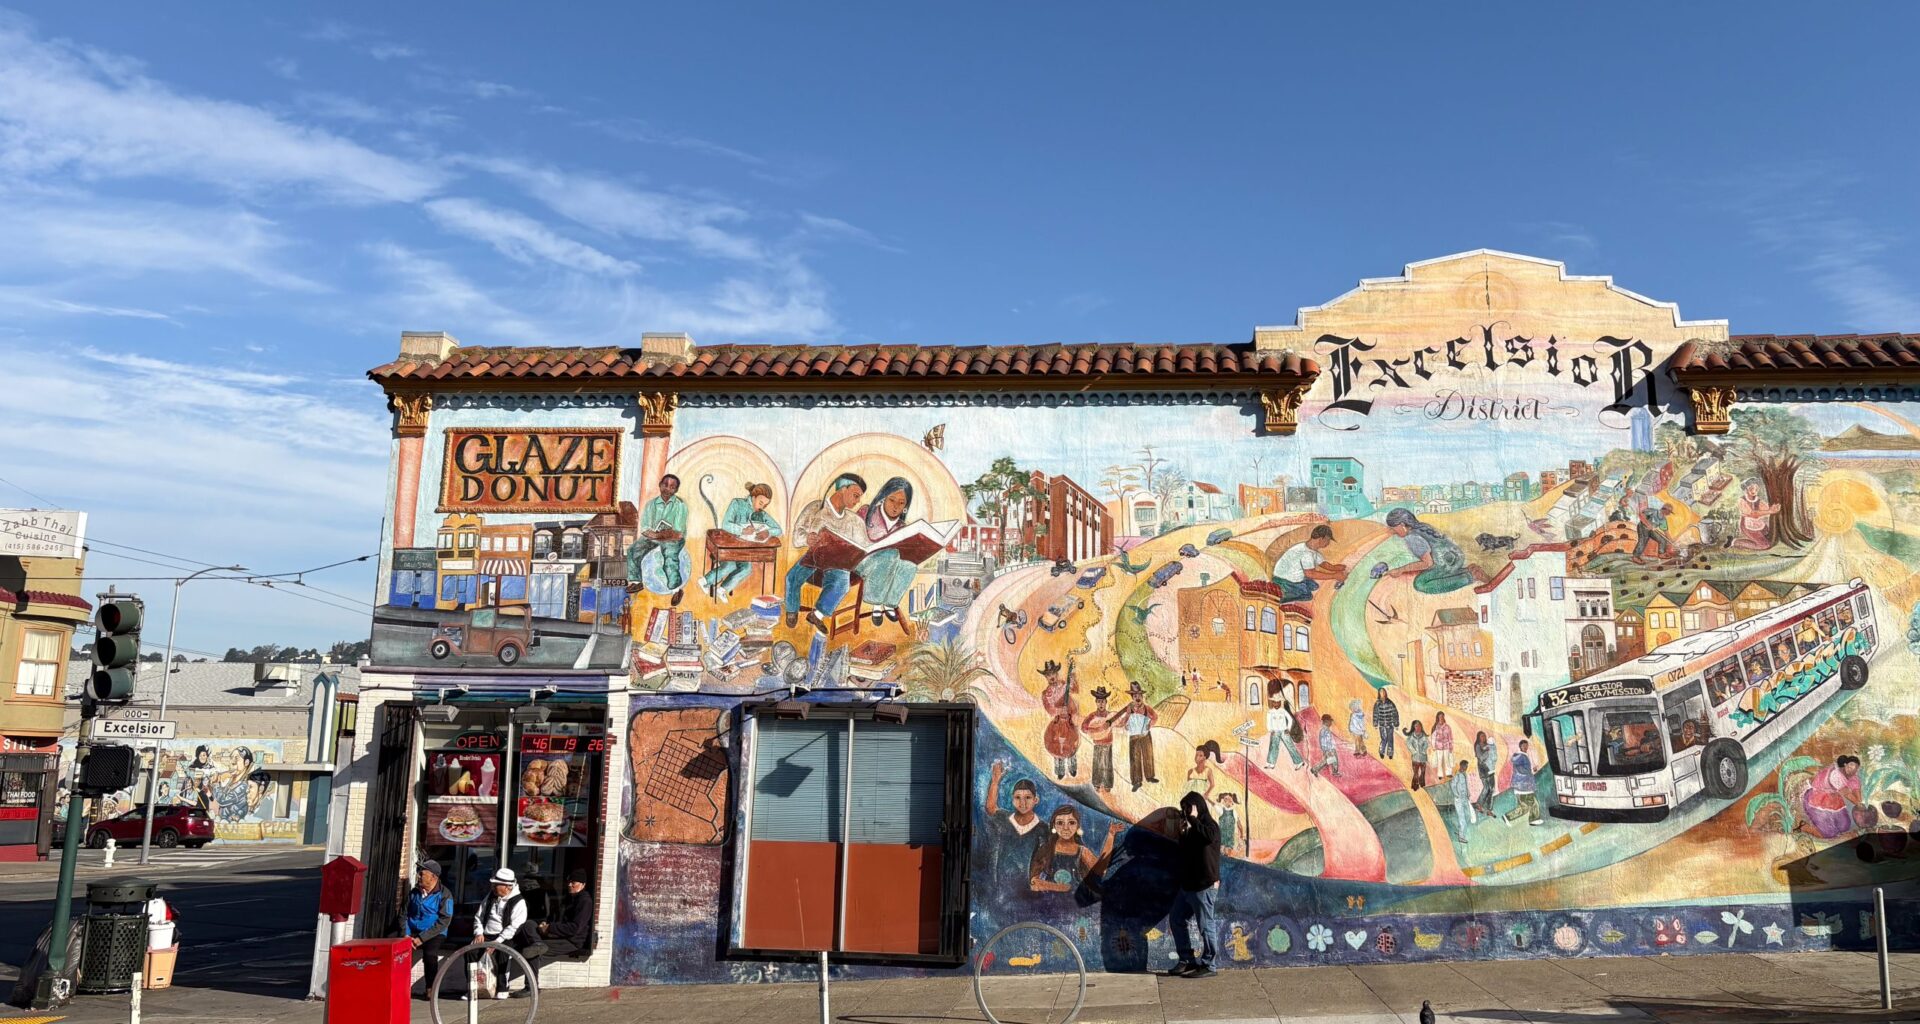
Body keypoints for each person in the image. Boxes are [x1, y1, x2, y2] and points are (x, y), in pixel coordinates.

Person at [783, 473, 869, 631]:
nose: (858, 501)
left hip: (838, 564)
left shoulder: (855, 521)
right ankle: (791, 610)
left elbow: (864, 547)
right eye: (856, 495)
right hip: (815, 558)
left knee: (841, 585)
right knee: (792, 577)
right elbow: (796, 537)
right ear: (843, 489)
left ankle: (817, 614)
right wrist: (807, 539)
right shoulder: (815, 508)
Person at [853, 476, 925, 625]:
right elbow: (851, 535)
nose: (895, 506)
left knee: (910, 566)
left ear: (905, 506)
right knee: (889, 555)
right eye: (892, 500)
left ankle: (889, 603)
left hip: (887, 564)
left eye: (901, 503)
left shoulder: (902, 527)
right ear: (883, 497)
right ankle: (876, 605)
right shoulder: (866, 512)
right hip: (860, 561)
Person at [1168, 792, 1222, 978]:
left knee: (1205, 926)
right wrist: (1182, 834)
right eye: (1184, 808)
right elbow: (1185, 853)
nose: (1185, 811)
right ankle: (1187, 959)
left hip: (1203, 886)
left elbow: (1208, 837)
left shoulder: (1210, 826)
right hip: (1188, 886)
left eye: (1188, 807)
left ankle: (1209, 965)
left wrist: (1193, 818)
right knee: (1176, 919)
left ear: (1198, 806)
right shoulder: (1193, 830)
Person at [700, 482, 784, 598]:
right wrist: (742, 530)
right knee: (730, 565)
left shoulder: (761, 514)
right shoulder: (737, 503)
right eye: (760, 503)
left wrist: (768, 532)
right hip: (728, 545)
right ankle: (705, 581)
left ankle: (722, 589)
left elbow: (779, 530)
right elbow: (726, 524)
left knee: (746, 568)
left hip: (743, 549)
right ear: (753, 497)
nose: (762, 507)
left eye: (765, 505)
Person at [519, 868, 596, 990]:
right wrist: (546, 924)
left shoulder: (584, 901)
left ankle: (531, 987)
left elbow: (575, 928)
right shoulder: (569, 898)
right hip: (557, 935)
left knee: (533, 951)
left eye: (573, 883)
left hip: (571, 941)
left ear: (583, 885)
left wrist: (550, 928)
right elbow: (558, 919)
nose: (570, 885)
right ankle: (537, 943)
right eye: (569, 882)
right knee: (529, 924)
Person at [626, 474, 691, 605]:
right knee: (633, 550)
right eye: (665, 485)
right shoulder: (651, 504)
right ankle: (636, 581)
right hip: (654, 537)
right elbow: (645, 528)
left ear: (676, 490)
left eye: (672, 487)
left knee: (670, 557)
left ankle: (676, 589)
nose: (668, 489)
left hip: (672, 539)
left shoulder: (680, 505)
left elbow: (678, 533)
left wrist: (659, 535)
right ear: (660, 485)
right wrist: (653, 535)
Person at [1028, 807, 1122, 894]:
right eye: (1060, 823)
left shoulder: (1082, 851)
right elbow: (1034, 883)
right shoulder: (1046, 849)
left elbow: (1100, 870)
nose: (1066, 828)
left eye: (1071, 823)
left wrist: (1110, 835)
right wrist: (1059, 888)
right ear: (1054, 826)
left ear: (1078, 826)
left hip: (1075, 901)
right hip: (1047, 902)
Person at [1383, 508, 1477, 594]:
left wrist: (1400, 570)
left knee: (1420, 583)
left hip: (1446, 563)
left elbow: (1427, 563)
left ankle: (1469, 577)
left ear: (1402, 525)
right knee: (1435, 572)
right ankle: (1466, 571)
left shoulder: (1412, 538)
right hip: (1457, 557)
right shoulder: (1422, 526)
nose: (1393, 531)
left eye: (1393, 528)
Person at [473, 868, 533, 1000]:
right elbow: (479, 916)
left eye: (496, 885)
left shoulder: (518, 902)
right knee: (471, 953)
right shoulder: (490, 896)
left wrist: (497, 941)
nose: (493, 887)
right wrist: (478, 932)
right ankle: (473, 988)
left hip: (506, 936)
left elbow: (514, 926)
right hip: (486, 934)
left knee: (503, 954)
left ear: (507, 886)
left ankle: (502, 987)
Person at [403, 859, 454, 999]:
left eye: (422, 874)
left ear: (433, 877)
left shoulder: (445, 894)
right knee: (395, 948)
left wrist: (422, 938)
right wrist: (406, 934)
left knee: (430, 954)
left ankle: (431, 988)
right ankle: (397, 986)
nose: (419, 876)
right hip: (412, 930)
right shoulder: (414, 893)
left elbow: (444, 921)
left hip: (434, 932)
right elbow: (404, 914)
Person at [1270, 524, 1348, 602]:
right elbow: (1311, 574)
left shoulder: (1310, 548)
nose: (1328, 543)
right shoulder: (1306, 553)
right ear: (1321, 539)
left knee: (1314, 586)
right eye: (1327, 540)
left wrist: (1337, 568)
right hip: (1283, 581)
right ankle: (1281, 597)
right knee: (1308, 595)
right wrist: (1334, 575)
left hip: (1289, 577)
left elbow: (1324, 564)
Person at [1039, 660, 1081, 780]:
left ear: (1057, 674)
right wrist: (1059, 710)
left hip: (1069, 720)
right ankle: (1060, 770)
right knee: (1056, 744)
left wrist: (1072, 675)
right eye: (1048, 675)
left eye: (1053, 673)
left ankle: (1072, 767)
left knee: (1071, 741)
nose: (1051, 676)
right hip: (1057, 723)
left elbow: (1075, 689)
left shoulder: (1064, 685)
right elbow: (1049, 709)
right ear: (1046, 677)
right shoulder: (1046, 694)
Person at [1121, 683, 1160, 790]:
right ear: (1132, 698)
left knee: (1148, 755)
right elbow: (1125, 720)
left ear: (1142, 697)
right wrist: (1125, 725)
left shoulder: (1147, 708)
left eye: (1139, 696)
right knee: (1135, 758)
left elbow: (1155, 717)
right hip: (1134, 736)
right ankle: (1136, 781)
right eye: (1135, 696)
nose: (1137, 698)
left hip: (1145, 735)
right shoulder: (1130, 709)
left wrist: (1150, 724)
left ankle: (1150, 776)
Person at [1082, 687, 1120, 794]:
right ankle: (1097, 784)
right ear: (1096, 702)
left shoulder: (1110, 716)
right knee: (1097, 764)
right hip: (1098, 743)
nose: (1101, 704)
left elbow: (1120, 723)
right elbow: (1083, 727)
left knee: (1107, 764)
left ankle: (1108, 784)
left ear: (1106, 702)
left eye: (1103, 701)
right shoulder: (1092, 716)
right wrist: (1095, 730)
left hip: (1108, 743)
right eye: (1099, 701)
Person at [1263, 689, 1304, 769]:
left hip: (1284, 731)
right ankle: (1271, 763)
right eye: (1275, 702)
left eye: (1278, 702)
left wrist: (1288, 729)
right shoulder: (1270, 712)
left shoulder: (1283, 711)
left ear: (1280, 703)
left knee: (1290, 746)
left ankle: (1299, 762)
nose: (1276, 704)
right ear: (1272, 703)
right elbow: (1268, 722)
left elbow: (1290, 719)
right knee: (1273, 747)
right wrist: (1271, 730)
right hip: (1275, 732)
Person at [1507, 740, 1544, 825]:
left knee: (1532, 804)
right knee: (1525, 807)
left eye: (1527, 745)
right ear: (1520, 746)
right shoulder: (1521, 756)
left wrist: (1532, 770)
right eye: (1524, 746)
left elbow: (1523, 769)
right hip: (1522, 785)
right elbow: (1521, 770)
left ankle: (1534, 819)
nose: (1526, 747)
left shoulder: (1524, 756)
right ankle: (1508, 817)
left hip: (1525, 785)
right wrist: (1531, 770)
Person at [1447, 761, 1476, 840]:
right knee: (1462, 818)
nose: (1466, 768)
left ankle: (1460, 830)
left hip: (1465, 799)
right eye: (1465, 766)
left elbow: (1466, 785)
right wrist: (1456, 795)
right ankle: (1461, 837)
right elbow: (1452, 785)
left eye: (1466, 766)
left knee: (1468, 816)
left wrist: (1468, 793)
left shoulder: (1464, 774)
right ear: (1461, 766)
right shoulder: (1457, 775)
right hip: (1459, 800)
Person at [1473, 732, 1498, 816]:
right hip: (1484, 769)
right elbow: (1481, 758)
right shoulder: (1478, 746)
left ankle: (1487, 808)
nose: (1484, 737)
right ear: (1478, 738)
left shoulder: (1488, 745)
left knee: (1491, 789)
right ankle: (1480, 805)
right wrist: (1487, 751)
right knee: (1488, 788)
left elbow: (1494, 756)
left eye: (1484, 736)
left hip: (1490, 769)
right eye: (1482, 736)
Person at [1371, 690, 1401, 759]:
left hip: (1390, 724)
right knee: (1384, 738)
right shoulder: (1377, 703)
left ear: (1385, 693)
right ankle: (1381, 752)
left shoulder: (1390, 703)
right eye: (1381, 692)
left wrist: (1396, 724)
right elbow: (1375, 714)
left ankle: (1390, 753)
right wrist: (1375, 724)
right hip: (1382, 725)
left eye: (1383, 692)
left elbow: (1395, 713)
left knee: (1390, 739)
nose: (1382, 694)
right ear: (1379, 694)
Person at [1404, 720, 1430, 790]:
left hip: (1423, 758)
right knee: (1415, 773)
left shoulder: (1423, 736)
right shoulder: (1412, 736)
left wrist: (1423, 750)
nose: (1418, 727)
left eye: (1419, 726)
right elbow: (1408, 744)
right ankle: (1415, 786)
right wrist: (1414, 751)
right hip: (1415, 758)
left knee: (1423, 772)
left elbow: (1427, 744)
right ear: (1413, 727)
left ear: (1421, 727)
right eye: (1416, 726)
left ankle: (1422, 783)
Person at [1430, 712, 1454, 781]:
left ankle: (1448, 773)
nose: (1441, 718)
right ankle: (1440, 774)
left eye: (1442, 717)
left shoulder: (1447, 727)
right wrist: (1433, 746)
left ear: (1444, 717)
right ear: (1437, 718)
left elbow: (1450, 737)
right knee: (1439, 761)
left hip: (1446, 746)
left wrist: (1451, 746)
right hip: (1438, 747)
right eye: (1440, 717)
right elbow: (1433, 737)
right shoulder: (1436, 727)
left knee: (1447, 760)